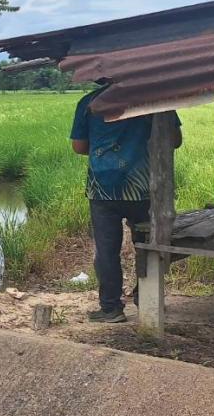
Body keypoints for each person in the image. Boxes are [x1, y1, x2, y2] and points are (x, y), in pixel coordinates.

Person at [71, 82, 181, 323]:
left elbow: (79, 146)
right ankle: (146, 298)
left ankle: (111, 308)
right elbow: (174, 140)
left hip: (103, 189)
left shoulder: (89, 102)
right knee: (148, 245)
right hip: (143, 187)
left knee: (107, 251)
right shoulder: (155, 97)